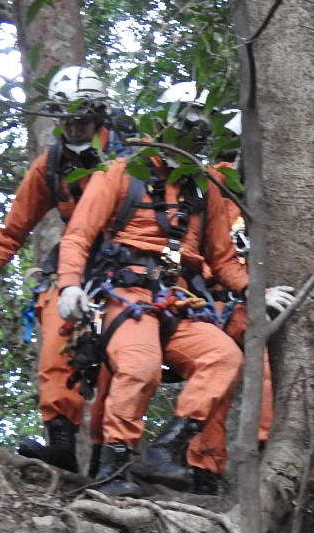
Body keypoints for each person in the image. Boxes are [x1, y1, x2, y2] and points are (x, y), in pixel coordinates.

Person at [54, 84, 287, 497]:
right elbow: (78, 236)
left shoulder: (206, 186)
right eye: (187, 115)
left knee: (222, 358)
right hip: (126, 295)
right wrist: (70, 286)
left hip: (178, 301)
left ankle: (166, 449)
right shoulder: (120, 172)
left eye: (201, 118)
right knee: (139, 368)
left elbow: (222, 258)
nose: (194, 127)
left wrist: (256, 294)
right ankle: (113, 469)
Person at [0, 65, 127, 470]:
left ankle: (112, 456)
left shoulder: (131, 152)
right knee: (56, 335)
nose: (75, 126)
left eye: (82, 117)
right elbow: (13, 229)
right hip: (75, 262)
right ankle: (60, 442)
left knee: (124, 352)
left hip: (131, 259)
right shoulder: (52, 165)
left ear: (98, 113)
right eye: (66, 118)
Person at [184, 111, 280, 495]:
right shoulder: (214, 183)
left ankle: (264, 447)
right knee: (218, 380)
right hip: (221, 297)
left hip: (255, 298)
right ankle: (204, 468)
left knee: (268, 375)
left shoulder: (273, 191)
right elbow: (202, 247)